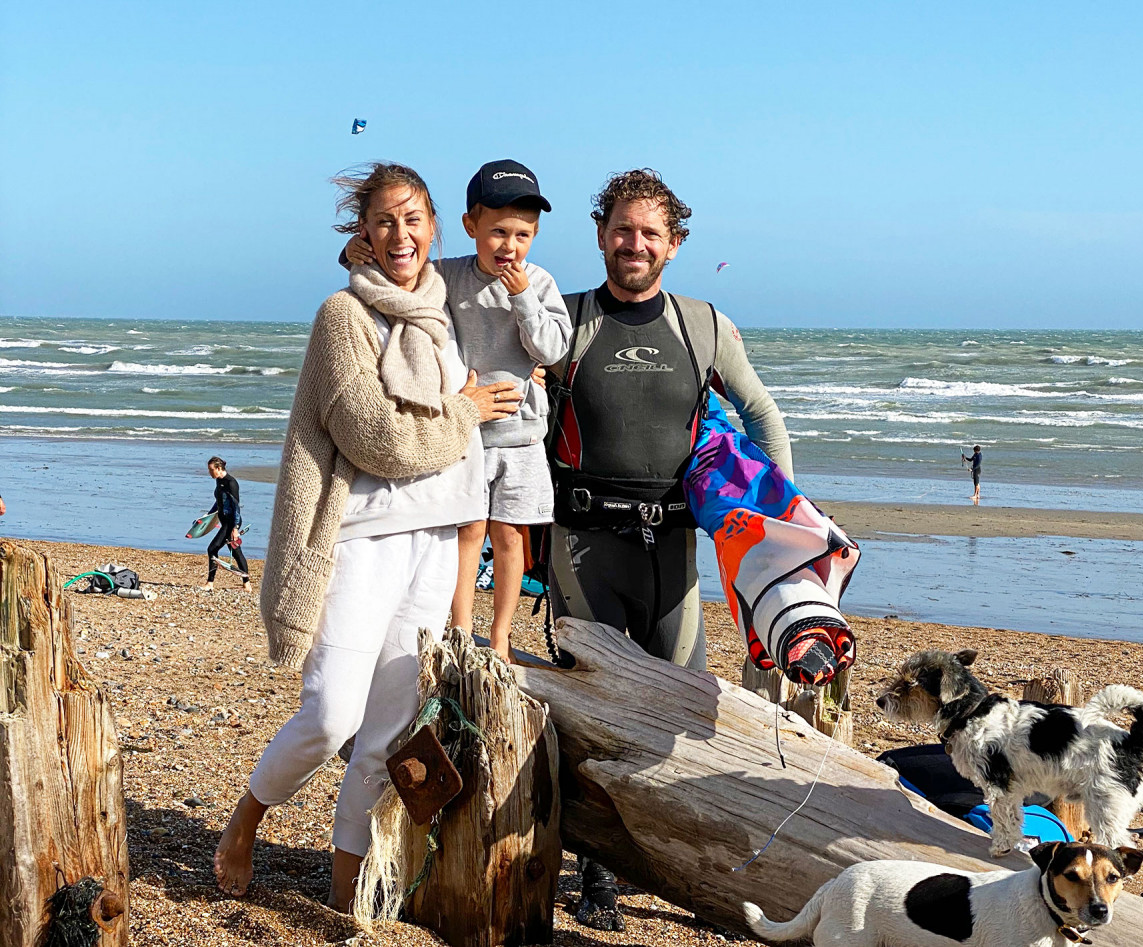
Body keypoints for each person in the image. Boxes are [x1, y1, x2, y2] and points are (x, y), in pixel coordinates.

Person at [212, 162, 522, 911]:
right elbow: (373, 434)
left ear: (435, 225)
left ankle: (346, 882)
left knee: (386, 732)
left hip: (435, 539)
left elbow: (522, 342)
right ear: (364, 233)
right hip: (360, 540)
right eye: (385, 220)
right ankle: (246, 818)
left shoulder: (446, 316)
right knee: (329, 716)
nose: (400, 234)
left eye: (413, 218)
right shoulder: (342, 317)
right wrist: (464, 413)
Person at [544, 169, 791, 930]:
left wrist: (786, 522)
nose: (635, 243)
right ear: (600, 234)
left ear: (675, 245)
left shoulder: (702, 325)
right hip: (584, 545)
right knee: (591, 714)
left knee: (686, 711)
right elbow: (513, 413)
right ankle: (596, 871)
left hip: (672, 551)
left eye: (651, 232)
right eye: (623, 228)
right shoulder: (568, 321)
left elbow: (760, 413)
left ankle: (665, 855)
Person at [345, 159, 569, 662]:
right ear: (470, 227)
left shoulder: (539, 283)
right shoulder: (445, 275)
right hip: (465, 432)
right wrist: (351, 253)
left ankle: (504, 636)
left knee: (511, 537)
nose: (509, 246)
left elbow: (553, 349)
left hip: (522, 434)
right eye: (497, 233)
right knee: (467, 530)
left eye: (522, 235)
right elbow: (396, 271)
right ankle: (463, 629)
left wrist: (524, 299)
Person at [203, 457, 251, 592]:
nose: (210, 473)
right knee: (235, 551)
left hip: (231, 522)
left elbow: (236, 507)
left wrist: (235, 528)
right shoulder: (219, 481)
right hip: (224, 520)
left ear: (219, 468)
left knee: (212, 549)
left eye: (211, 470)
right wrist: (207, 516)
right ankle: (247, 585)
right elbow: (218, 502)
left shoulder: (231, 483)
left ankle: (210, 583)